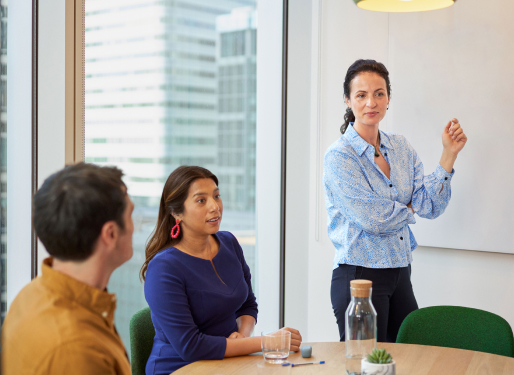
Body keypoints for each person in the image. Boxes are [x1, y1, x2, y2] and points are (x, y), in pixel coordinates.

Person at [323, 59, 468, 343]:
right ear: (348, 100)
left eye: (379, 93)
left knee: (409, 359)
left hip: (400, 271)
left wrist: (448, 155)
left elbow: (430, 206)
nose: (371, 103)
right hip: (360, 275)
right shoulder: (340, 156)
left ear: (388, 98)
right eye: (361, 95)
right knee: (366, 365)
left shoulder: (400, 147)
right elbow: (374, 219)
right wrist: (409, 207)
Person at [141, 166, 302, 374]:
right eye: (201, 200)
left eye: (217, 196)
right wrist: (267, 342)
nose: (215, 206)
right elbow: (191, 347)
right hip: (181, 369)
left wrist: (242, 336)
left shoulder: (229, 242)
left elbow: (248, 304)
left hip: (229, 363)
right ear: (176, 212)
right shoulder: (163, 268)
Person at [1, 163, 133, 375]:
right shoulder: (76, 351)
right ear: (110, 234)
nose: (135, 227)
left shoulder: (31, 294)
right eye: (130, 215)